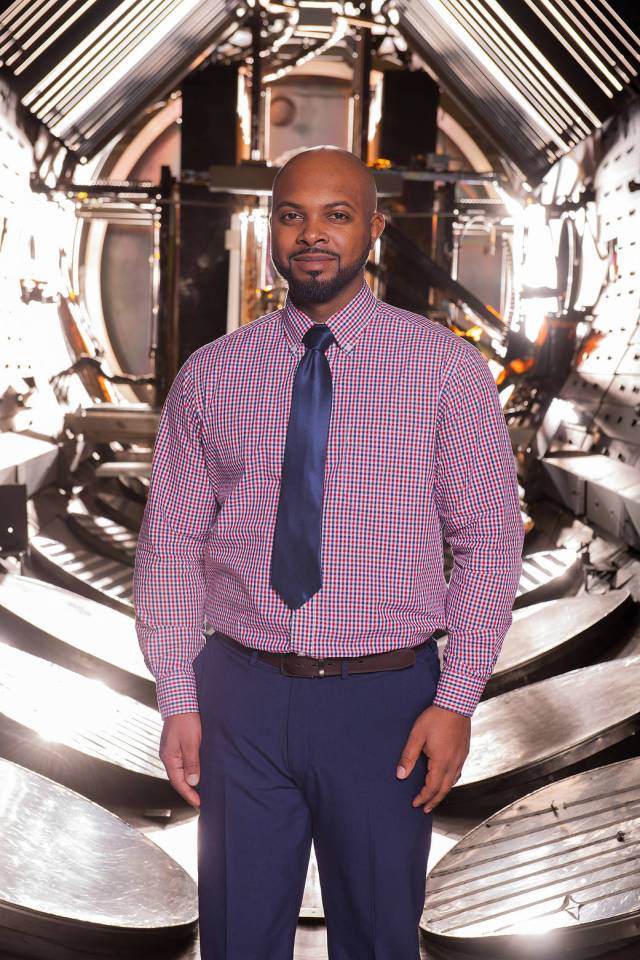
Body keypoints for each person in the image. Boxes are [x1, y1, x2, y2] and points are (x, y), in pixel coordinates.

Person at [133, 145, 524, 959]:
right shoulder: (211, 375)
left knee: (380, 939)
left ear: (375, 228)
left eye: (337, 215)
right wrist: (178, 692)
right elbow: (169, 545)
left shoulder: (447, 371)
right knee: (237, 939)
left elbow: (487, 543)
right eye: (291, 214)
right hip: (238, 696)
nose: (312, 234)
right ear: (269, 227)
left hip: (387, 705)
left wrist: (456, 700)